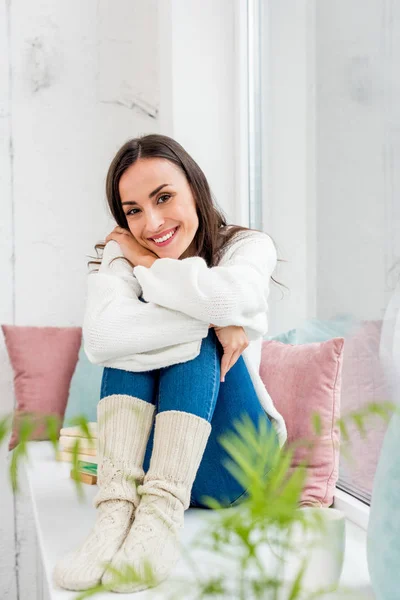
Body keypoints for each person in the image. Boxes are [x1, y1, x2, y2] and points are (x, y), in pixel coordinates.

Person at [53, 133, 287, 593]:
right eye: (134, 210)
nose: (152, 222)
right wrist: (217, 319)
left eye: (164, 197)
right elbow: (102, 339)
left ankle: (161, 517)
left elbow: (232, 295)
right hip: (147, 463)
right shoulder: (116, 258)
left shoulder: (247, 247)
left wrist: (145, 263)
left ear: (194, 188)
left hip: (234, 464)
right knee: (146, 341)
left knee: (196, 342)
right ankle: (115, 512)